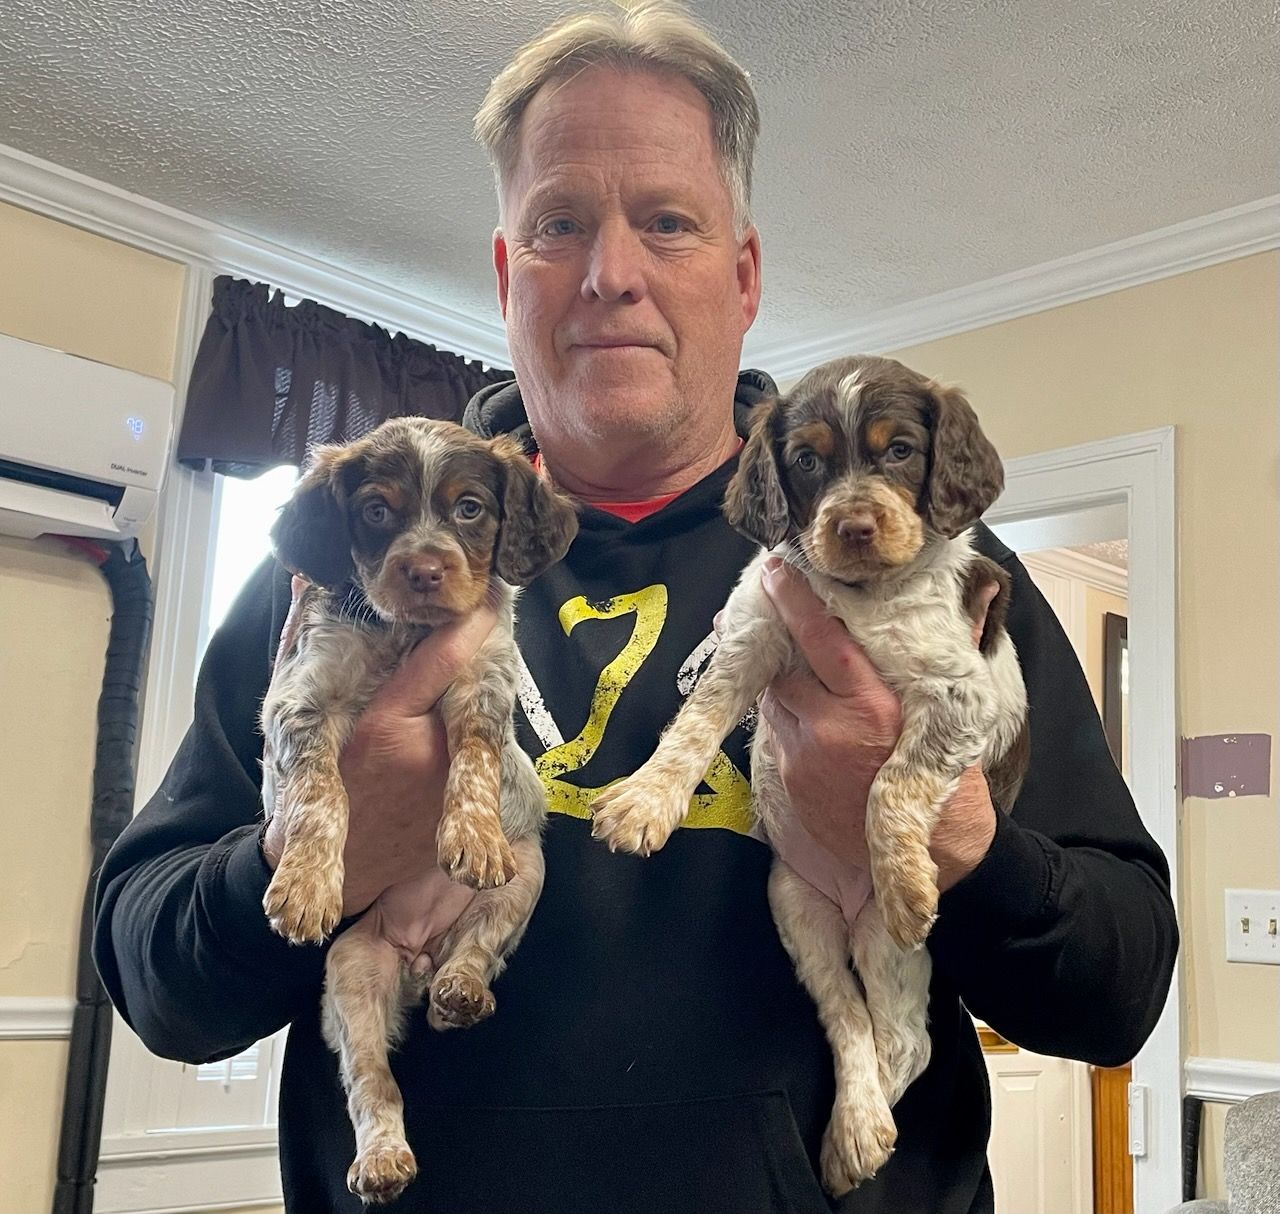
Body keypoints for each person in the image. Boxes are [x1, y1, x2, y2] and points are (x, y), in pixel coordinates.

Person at [94, 5, 1178, 1212]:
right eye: (560, 223)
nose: (611, 273)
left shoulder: (942, 574)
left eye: (666, 221)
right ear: (507, 273)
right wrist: (323, 842)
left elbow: (1118, 985)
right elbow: (156, 981)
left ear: (743, 271)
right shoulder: (343, 570)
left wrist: (961, 841)